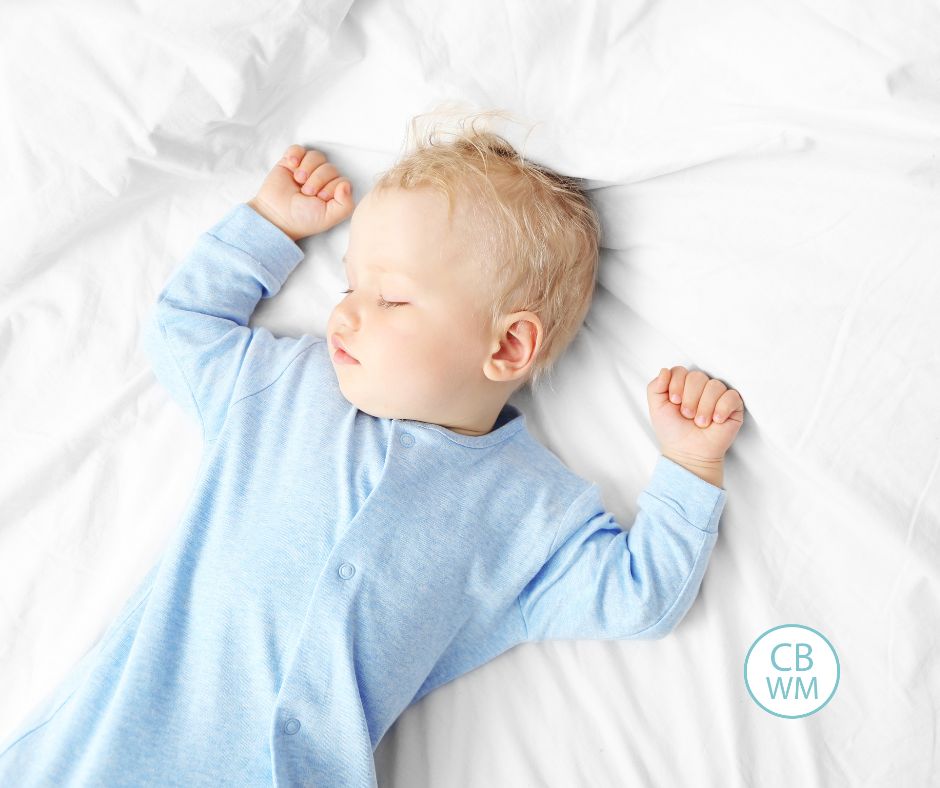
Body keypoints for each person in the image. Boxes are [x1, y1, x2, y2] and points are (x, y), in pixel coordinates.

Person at [0, 113, 744, 786]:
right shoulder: (284, 387)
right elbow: (183, 327)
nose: (345, 313)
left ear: (509, 344)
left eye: (390, 298)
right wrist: (269, 227)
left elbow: (638, 597)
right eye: (349, 285)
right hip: (112, 752)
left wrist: (690, 466)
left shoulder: (529, 510)